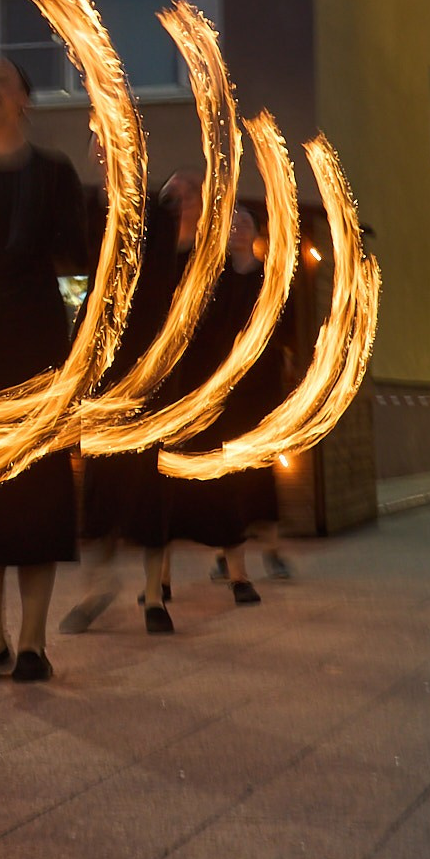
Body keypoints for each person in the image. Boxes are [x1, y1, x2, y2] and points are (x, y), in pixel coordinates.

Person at [0, 58, 88, 684]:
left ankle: (32, 641)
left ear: (26, 101)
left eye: (3, 80)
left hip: (35, 340)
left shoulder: (54, 173)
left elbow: (77, 261)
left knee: (37, 493)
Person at [60, 168, 201, 636]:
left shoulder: (162, 227)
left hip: (153, 376)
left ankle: (154, 596)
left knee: (151, 487)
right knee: (100, 487)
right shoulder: (93, 216)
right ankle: (95, 589)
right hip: (105, 376)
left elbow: (183, 264)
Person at [160, 205, 283, 607]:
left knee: (231, 483)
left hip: (237, 394)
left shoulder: (265, 279)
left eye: (243, 225)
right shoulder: (206, 272)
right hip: (194, 391)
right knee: (172, 487)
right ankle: (158, 583)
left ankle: (240, 573)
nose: (236, 232)